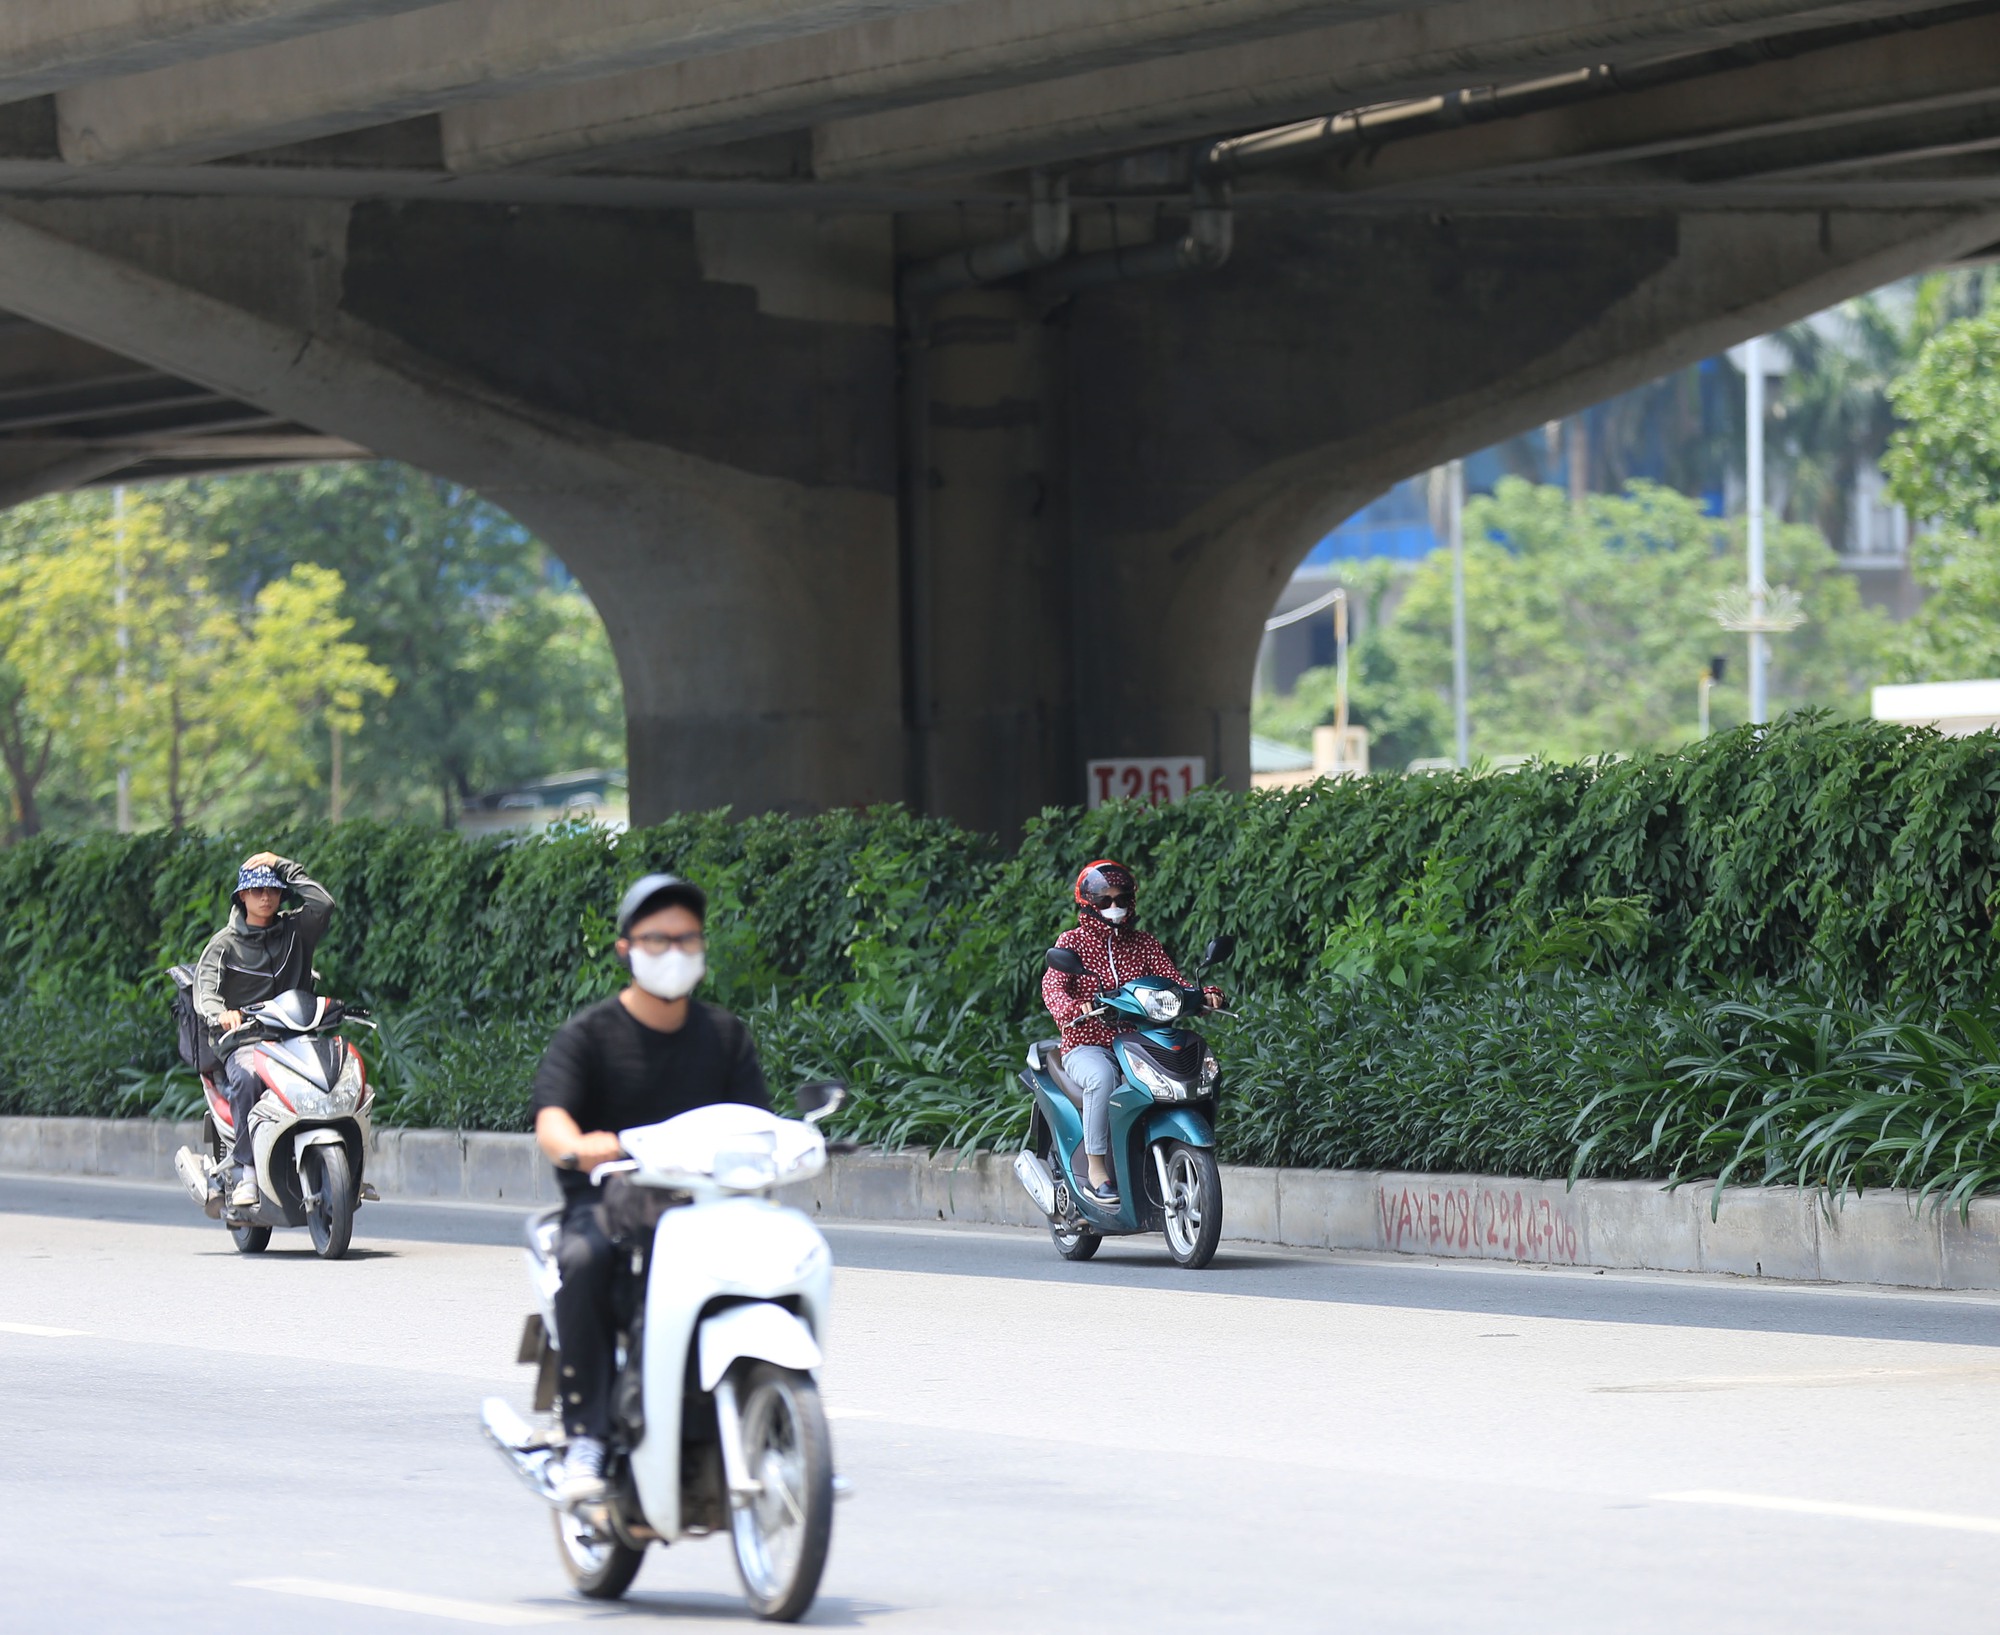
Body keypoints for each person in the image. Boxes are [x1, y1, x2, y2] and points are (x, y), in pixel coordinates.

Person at [531, 873, 769, 1504]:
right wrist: (579, 1145)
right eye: (658, 940)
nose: (674, 952)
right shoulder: (588, 1036)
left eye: (687, 939)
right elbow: (553, 1121)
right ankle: (586, 1434)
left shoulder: (725, 1037)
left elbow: (757, 1123)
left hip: (704, 1205)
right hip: (608, 1202)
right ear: (626, 949)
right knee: (586, 1259)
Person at [1041, 860, 1224, 1205]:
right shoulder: (1073, 942)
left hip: (1139, 1042)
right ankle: (1096, 1169)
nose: (1115, 906)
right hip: (1087, 1044)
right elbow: (1053, 987)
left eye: (1121, 899)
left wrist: (1204, 996)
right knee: (1102, 1078)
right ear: (1088, 905)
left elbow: (1174, 982)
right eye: (1105, 900)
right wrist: (1073, 1008)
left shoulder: (1143, 944)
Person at [193, 851, 336, 1211]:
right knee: (248, 1077)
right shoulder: (224, 944)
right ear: (242, 896)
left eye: (272, 890)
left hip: (294, 1036)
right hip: (245, 1041)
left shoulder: (296, 930)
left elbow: (324, 903)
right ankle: (247, 1172)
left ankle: (339, 1159)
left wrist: (280, 863)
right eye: (257, 891)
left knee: (336, 1071)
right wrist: (221, 1015)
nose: (266, 897)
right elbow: (205, 990)